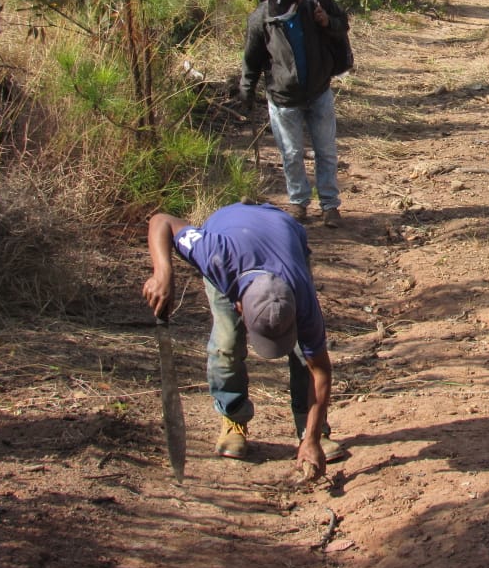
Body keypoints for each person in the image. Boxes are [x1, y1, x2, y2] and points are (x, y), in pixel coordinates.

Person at [141, 202, 341, 471]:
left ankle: (310, 429)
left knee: (302, 353)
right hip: (232, 237)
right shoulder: (214, 253)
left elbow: (321, 371)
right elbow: (161, 220)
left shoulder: (301, 296)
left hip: (284, 236)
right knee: (226, 344)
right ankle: (233, 417)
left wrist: (313, 439)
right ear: (238, 307)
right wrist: (163, 273)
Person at [240, 0, 347, 227]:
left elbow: (343, 24)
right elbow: (251, 60)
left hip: (319, 90)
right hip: (283, 97)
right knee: (291, 153)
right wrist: (246, 91)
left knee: (326, 151)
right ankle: (298, 203)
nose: (281, 13)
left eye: (286, 8)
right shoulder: (261, 18)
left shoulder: (317, 1)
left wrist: (327, 21)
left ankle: (330, 205)